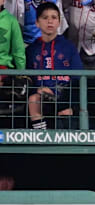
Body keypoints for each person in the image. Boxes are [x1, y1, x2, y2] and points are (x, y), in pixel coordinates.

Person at [26, 2, 84, 130]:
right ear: (37, 23)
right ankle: (41, 134)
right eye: (45, 18)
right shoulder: (31, 50)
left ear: (59, 22)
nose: (50, 21)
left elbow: (78, 79)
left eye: (54, 17)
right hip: (41, 98)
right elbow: (29, 80)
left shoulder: (69, 47)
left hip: (64, 98)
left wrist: (72, 106)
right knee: (34, 98)